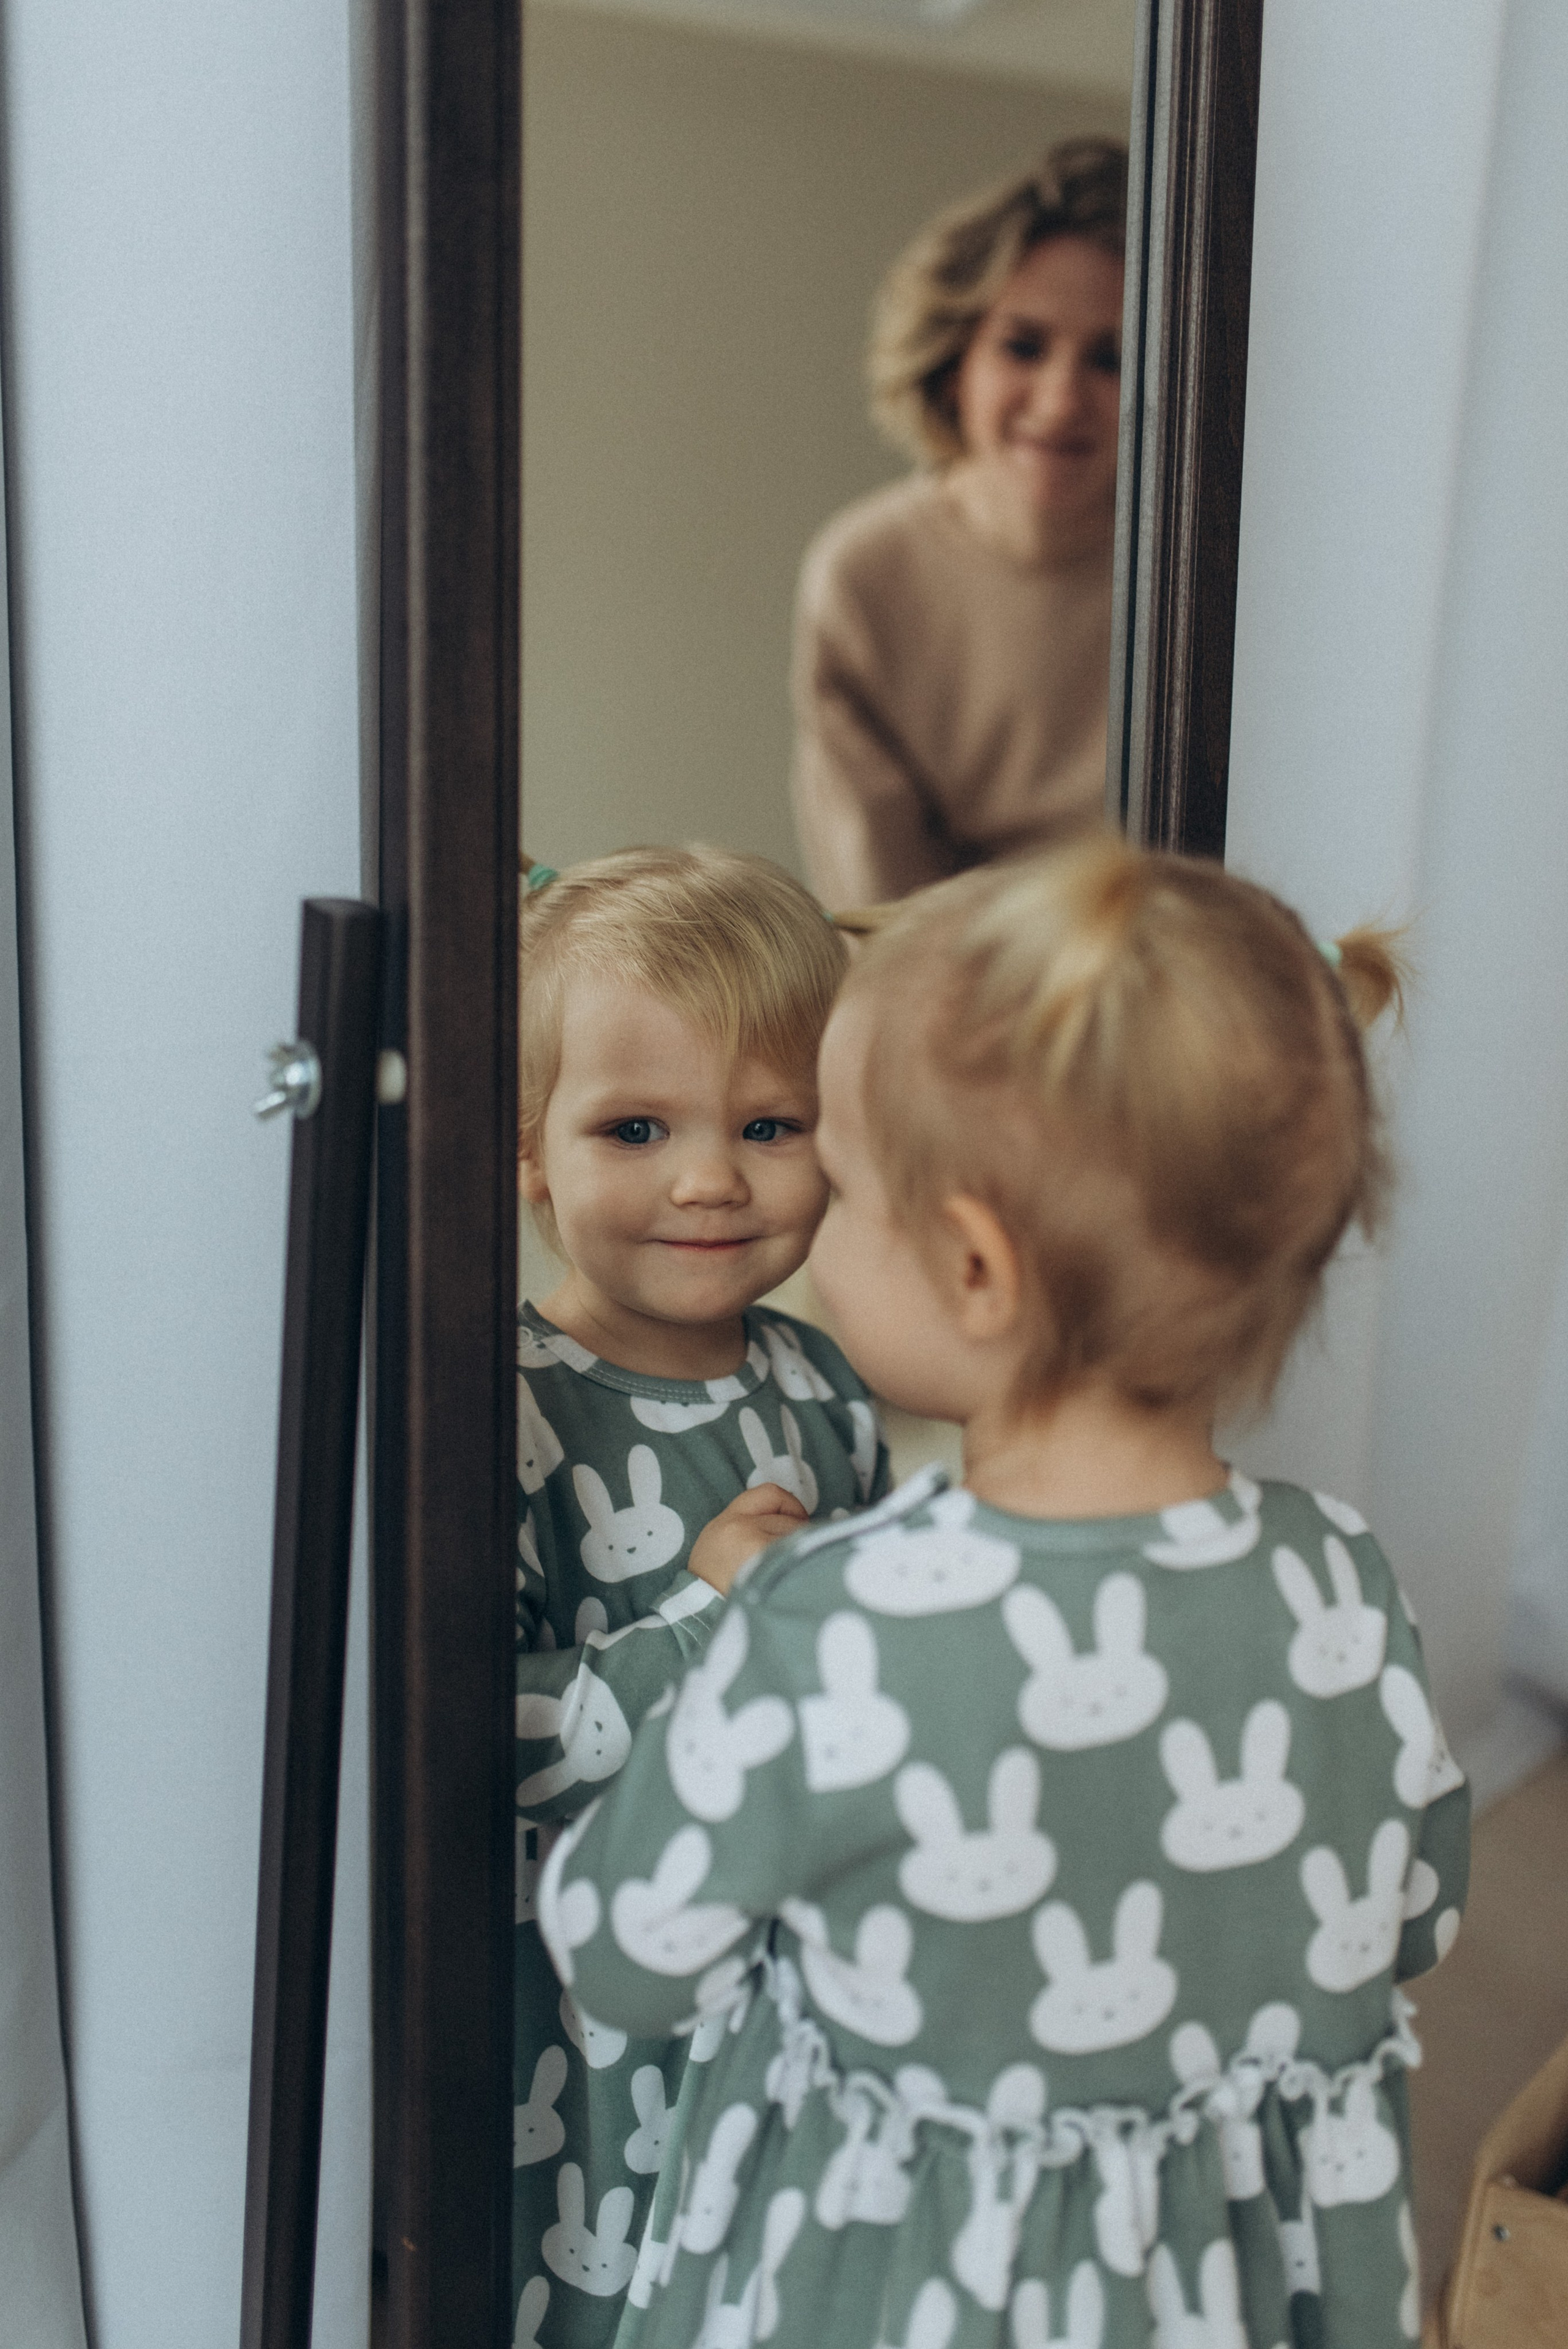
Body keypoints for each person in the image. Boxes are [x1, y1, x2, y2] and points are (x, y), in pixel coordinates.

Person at [538, 839, 1469, 2349]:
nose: (809, 1233)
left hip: (894, 2288)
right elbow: (1413, 1905)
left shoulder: (828, 1619)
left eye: (836, 1180)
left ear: (969, 1266)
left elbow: (626, 1947)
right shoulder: (1342, 1582)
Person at [511, 844, 890, 2349]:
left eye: (766, 1122)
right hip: (601, 2025)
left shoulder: (824, 1379)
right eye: (636, 1125)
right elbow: (483, 1730)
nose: (709, 1174)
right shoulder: (509, 1399)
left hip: (806, 1983)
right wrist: (704, 1610)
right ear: (530, 1153)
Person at [791, 139, 1126, 911]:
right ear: (953, 361)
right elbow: (878, 914)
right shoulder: (865, 575)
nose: (1060, 401)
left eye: (1111, 358)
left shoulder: (1205, 573)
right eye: (1023, 346)